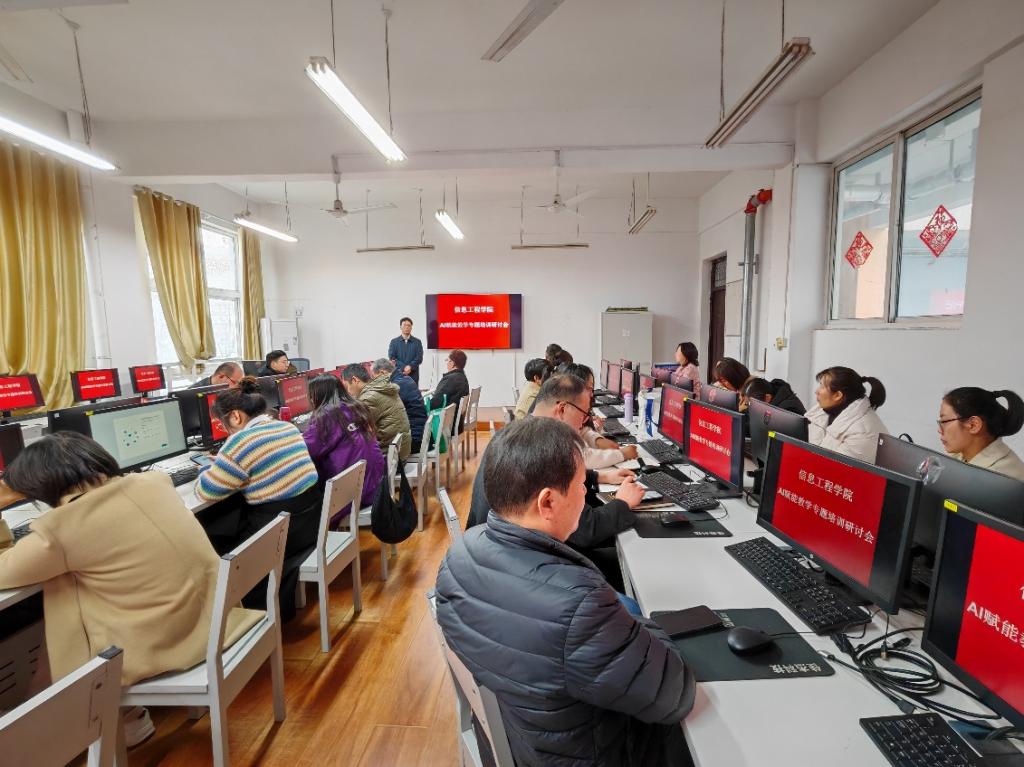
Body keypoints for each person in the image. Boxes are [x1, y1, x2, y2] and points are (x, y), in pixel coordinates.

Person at [437, 417, 696, 767]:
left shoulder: (458, 556)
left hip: (524, 738)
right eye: (580, 486)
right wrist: (634, 620)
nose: (585, 495)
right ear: (547, 502)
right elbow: (674, 693)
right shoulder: (579, 607)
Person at [0, 432, 262, 745]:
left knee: (62, 588)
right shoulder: (154, 483)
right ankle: (112, 714)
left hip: (163, 643)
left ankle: (69, 717)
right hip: (215, 621)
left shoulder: (63, 528)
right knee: (69, 579)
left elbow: (5, 571)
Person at [468, 373, 643, 589]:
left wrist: (600, 476)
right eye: (583, 415)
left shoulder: (520, 434)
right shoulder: (547, 447)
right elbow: (587, 530)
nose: (584, 422)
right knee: (633, 560)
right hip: (521, 569)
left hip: (494, 552)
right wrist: (623, 503)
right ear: (562, 409)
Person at [196, 378, 322, 619]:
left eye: (222, 424)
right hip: (307, 527)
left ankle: (231, 611)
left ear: (235, 417)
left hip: (278, 538)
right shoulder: (286, 427)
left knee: (211, 528)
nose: (224, 430)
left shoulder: (241, 442)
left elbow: (206, 491)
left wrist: (206, 468)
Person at [302, 374, 386, 514]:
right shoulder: (358, 406)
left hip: (350, 496)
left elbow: (306, 451)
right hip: (376, 486)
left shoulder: (325, 416)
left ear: (317, 395)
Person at [558, 361, 639, 468]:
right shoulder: (560, 418)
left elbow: (580, 431)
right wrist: (622, 454)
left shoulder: (569, 409)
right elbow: (583, 458)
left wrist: (597, 440)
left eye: (592, 388)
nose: (592, 394)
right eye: (589, 388)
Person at [938, 387, 1024, 480]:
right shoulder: (959, 457)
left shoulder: (999, 479)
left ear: (973, 425)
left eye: (944, 421)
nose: (939, 430)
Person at [806, 366, 887, 463]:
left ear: (837, 395)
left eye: (822, 387)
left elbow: (834, 468)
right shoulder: (823, 410)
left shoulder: (862, 433)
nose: (816, 391)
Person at [340, 363, 412, 460]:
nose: (347, 392)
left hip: (390, 458)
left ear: (354, 380)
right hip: (400, 452)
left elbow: (357, 432)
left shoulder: (368, 398)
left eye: (346, 386)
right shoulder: (381, 388)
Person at [372, 358, 427, 452]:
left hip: (413, 440)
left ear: (382, 373)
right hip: (420, 434)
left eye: (374, 377)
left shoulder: (395, 386)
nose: (373, 381)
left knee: (373, 448)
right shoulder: (405, 379)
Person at [430, 349, 470, 432]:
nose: (447, 363)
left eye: (447, 360)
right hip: (457, 423)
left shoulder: (450, 379)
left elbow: (434, 403)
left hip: (446, 425)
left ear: (452, 362)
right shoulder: (462, 377)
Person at [741, 377, 806, 415]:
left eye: (751, 404)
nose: (749, 408)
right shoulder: (768, 403)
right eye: (747, 404)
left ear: (767, 398)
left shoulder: (787, 410)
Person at [387, 316, 424, 384]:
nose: (407, 327)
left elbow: (419, 358)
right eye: (404, 325)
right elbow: (392, 358)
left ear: (411, 327)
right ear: (400, 327)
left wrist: (410, 366)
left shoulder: (417, 342)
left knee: (413, 391)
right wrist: (404, 367)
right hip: (398, 375)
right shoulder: (394, 342)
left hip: (413, 375)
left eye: (409, 325)